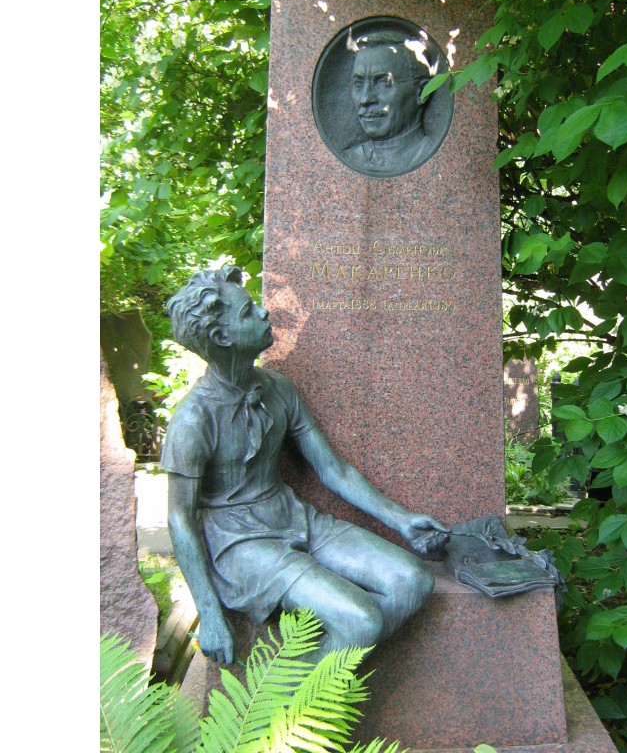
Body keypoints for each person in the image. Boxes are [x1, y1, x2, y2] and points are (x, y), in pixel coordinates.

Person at [162, 265, 447, 665]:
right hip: (240, 544)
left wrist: (401, 520)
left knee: (413, 581)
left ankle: (317, 670)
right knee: (361, 620)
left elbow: (334, 470)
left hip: (293, 516)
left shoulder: (278, 388)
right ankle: (284, 703)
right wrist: (208, 612)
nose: (263, 312)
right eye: (247, 312)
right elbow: (180, 518)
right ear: (222, 337)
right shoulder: (192, 421)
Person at [342, 31, 438, 174]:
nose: (365, 99)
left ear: (421, 91)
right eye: (358, 83)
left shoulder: (430, 155)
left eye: (383, 82)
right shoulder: (352, 158)